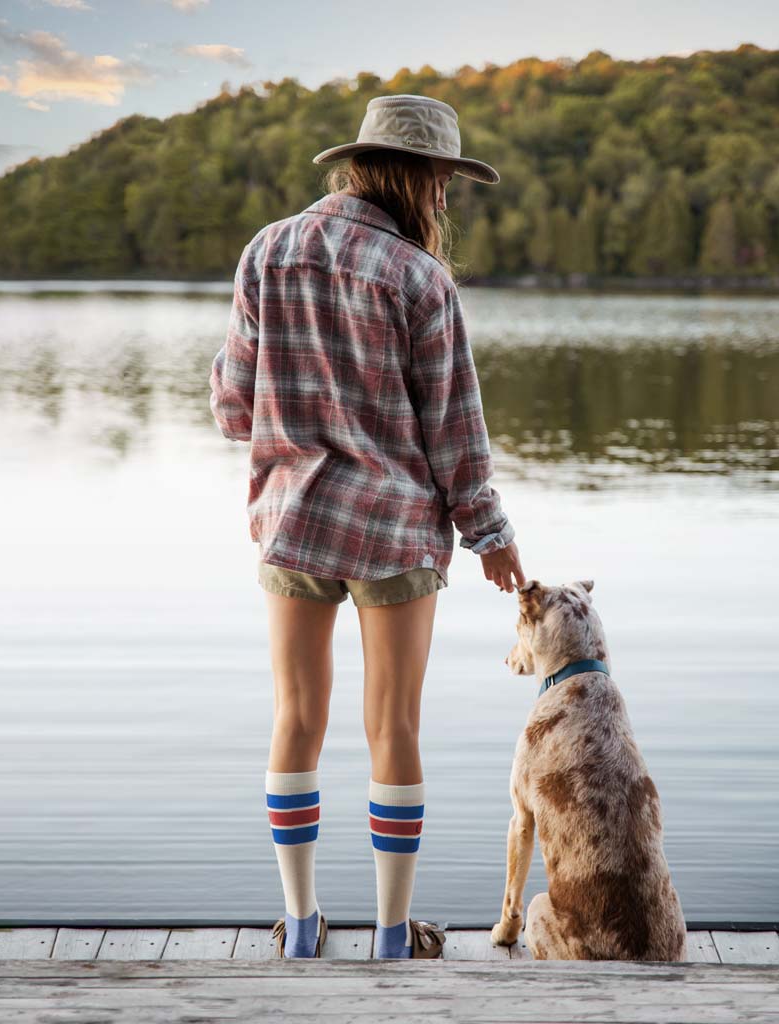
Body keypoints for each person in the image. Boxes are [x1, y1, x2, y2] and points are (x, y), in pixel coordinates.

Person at [209, 94, 525, 960]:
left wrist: (289, 448)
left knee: (295, 716)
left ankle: (303, 925)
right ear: (418, 179)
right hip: (395, 533)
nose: (446, 201)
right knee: (394, 726)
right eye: (443, 182)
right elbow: (457, 434)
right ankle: (391, 933)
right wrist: (492, 535)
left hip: (294, 524)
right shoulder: (421, 280)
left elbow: (233, 404)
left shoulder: (266, 252)